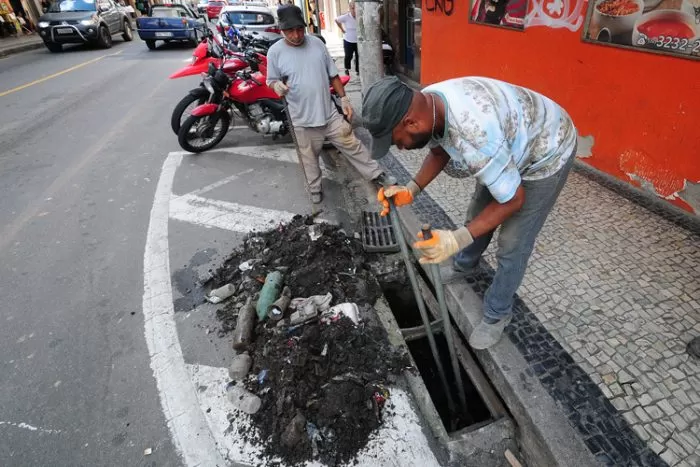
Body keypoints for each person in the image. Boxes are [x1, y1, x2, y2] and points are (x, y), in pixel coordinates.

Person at [363, 76, 577, 349]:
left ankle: (497, 313)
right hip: (510, 139)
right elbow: (440, 152)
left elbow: (513, 201)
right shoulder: (427, 103)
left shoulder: (476, 136)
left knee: (513, 243)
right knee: (477, 213)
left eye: (398, 142)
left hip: (548, 150)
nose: (401, 148)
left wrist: (455, 239)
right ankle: (465, 265)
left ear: (412, 123)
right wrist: (411, 189)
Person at [266, 5, 394, 204]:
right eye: (290, 31)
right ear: (282, 30)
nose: (296, 34)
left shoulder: (316, 44)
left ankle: (377, 175)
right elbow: (271, 80)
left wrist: (344, 99)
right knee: (308, 158)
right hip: (301, 119)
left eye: (300, 29)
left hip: (328, 114)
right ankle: (315, 188)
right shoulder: (275, 52)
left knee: (352, 144)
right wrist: (277, 86)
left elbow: (332, 74)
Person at [334, 1, 358, 75]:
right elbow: (336, 20)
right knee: (348, 56)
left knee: (358, 56)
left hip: (358, 41)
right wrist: (342, 29)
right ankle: (347, 68)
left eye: (356, 8)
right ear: (350, 8)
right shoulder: (346, 17)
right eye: (352, 8)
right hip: (348, 40)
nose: (354, 10)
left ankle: (358, 70)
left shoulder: (360, 16)